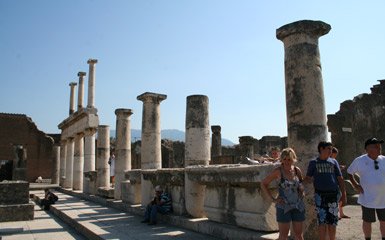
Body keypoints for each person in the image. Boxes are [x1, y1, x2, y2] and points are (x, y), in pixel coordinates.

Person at [304, 141, 347, 240]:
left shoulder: (333, 162)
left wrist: (343, 195)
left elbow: (340, 179)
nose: (330, 151)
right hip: (320, 196)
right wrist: (299, 183)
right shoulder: (313, 163)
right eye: (328, 149)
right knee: (322, 222)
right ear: (321, 149)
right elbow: (308, 178)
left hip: (333, 195)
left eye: (331, 149)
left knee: (332, 222)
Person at [261, 148, 305, 240]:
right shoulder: (278, 171)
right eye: (284, 159)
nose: (286, 161)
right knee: (283, 236)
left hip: (298, 205)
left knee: (299, 235)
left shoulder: (297, 170)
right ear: (281, 159)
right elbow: (264, 183)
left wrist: (302, 191)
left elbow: (301, 183)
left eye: (289, 159)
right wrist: (273, 199)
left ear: (293, 159)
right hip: (283, 206)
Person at [347, 137, 385, 240]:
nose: (379, 148)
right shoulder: (360, 160)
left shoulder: (384, 159)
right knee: (367, 221)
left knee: (384, 221)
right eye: (376, 146)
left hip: (383, 198)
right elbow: (350, 172)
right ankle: (367, 238)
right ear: (368, 148)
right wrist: (355, 185)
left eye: (379, 146)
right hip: (367, 198)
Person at [330, 147, 349, 219]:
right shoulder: (329, 161)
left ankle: (341, 213)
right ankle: (336, 214)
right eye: (334, 154)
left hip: (337, 182)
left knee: (340, 197)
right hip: (333, 182)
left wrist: (339, 167)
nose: (335, 156)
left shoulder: (334, 160)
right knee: (335, 198)